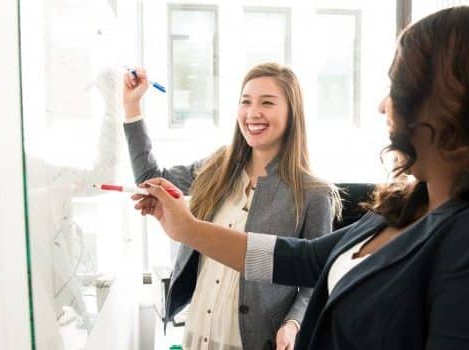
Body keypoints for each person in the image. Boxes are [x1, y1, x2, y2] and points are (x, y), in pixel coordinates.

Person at [132, 6, 469, 350]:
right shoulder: (409, 204)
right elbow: (304, 258)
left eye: (395, 85)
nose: (383, 105)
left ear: (448, 101)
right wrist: (188, 229)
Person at [122, 62, 340, 350]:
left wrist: (293, 323)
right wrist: (131, 105)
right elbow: (151, 179)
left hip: (252, 340)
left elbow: (317, 277)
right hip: (197, 334)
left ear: (292, 113)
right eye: (245, 102)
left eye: (267, 103)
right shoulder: (217, 167)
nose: (253, 113)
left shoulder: (314, 193)